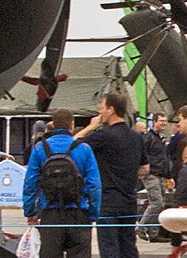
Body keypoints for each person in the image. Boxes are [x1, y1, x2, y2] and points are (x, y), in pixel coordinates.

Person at [74, 93, 149, 258]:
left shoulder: (104, 135)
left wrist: (90, 127)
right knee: (129, 247)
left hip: (108, 201)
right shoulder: (136, 137)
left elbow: (73, 145)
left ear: (111, 109)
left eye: (101, 109)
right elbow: (145, 168)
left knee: (109, 248)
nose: (99, 113)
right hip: (129, 199)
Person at [24, 108, 102, 258]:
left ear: (53, 124)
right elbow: (94, 184)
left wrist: (30, 212)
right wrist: (94, 214)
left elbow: (30, 183)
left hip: (50, 213)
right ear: (72, 125)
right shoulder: (84, 149)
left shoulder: (40, 148)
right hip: (79, 212)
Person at [140, 114, 171, 241]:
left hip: (161, 175)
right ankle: (141, 227)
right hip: (151, 174)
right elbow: (141, 153)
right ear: (154, 122)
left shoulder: (161, 139)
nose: (163, 123)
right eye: (161, 121)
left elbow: (165, 158)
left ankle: (154, 233)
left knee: (161, 203)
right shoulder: (148, 137)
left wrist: (169, 176)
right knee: (156, 203)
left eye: (165, 121)